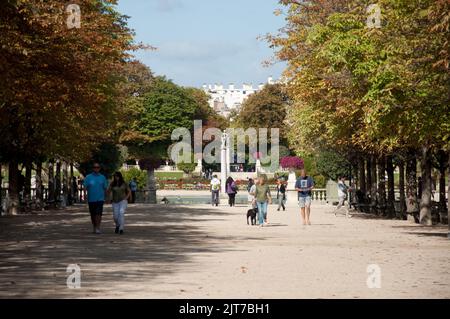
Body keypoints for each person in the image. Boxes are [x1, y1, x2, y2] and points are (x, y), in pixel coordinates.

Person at [83, 163, 108, 234]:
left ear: (99, 168)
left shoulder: (102, 177)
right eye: (95, 167)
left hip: (100, 199)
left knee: (98, 214)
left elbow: (105, 188)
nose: (96, 168)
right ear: (93, 168)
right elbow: (85, 187)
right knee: (93, 214)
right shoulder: (88, 177)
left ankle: (98, 227)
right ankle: (94, 225)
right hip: (91, 199)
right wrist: (85, 196)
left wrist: (107, 197)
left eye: (97, 167)